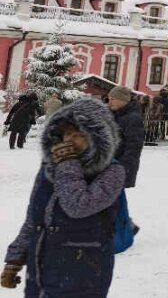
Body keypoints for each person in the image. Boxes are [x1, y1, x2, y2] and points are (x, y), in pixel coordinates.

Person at [2, 98, 126, 296]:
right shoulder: (50, 167)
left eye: (78, 135)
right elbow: (34, 218)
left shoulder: (112, 173)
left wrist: (68, 164)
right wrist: (15, 258)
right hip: (40, 270)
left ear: (96, 137)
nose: (69, 140)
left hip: (83, 271)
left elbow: (77, 206)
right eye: (67, 133)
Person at [106, 86, 144, 238]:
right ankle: (125, 225)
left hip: (121, 165)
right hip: (109, 163)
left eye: (113, 98)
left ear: (123, 100)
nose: (110, 101)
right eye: (109, 98)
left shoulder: (132, 118)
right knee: (112, 197)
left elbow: (134, 146)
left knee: (111, 197)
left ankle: (124, 226)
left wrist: (123, 167)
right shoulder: (114, 115)